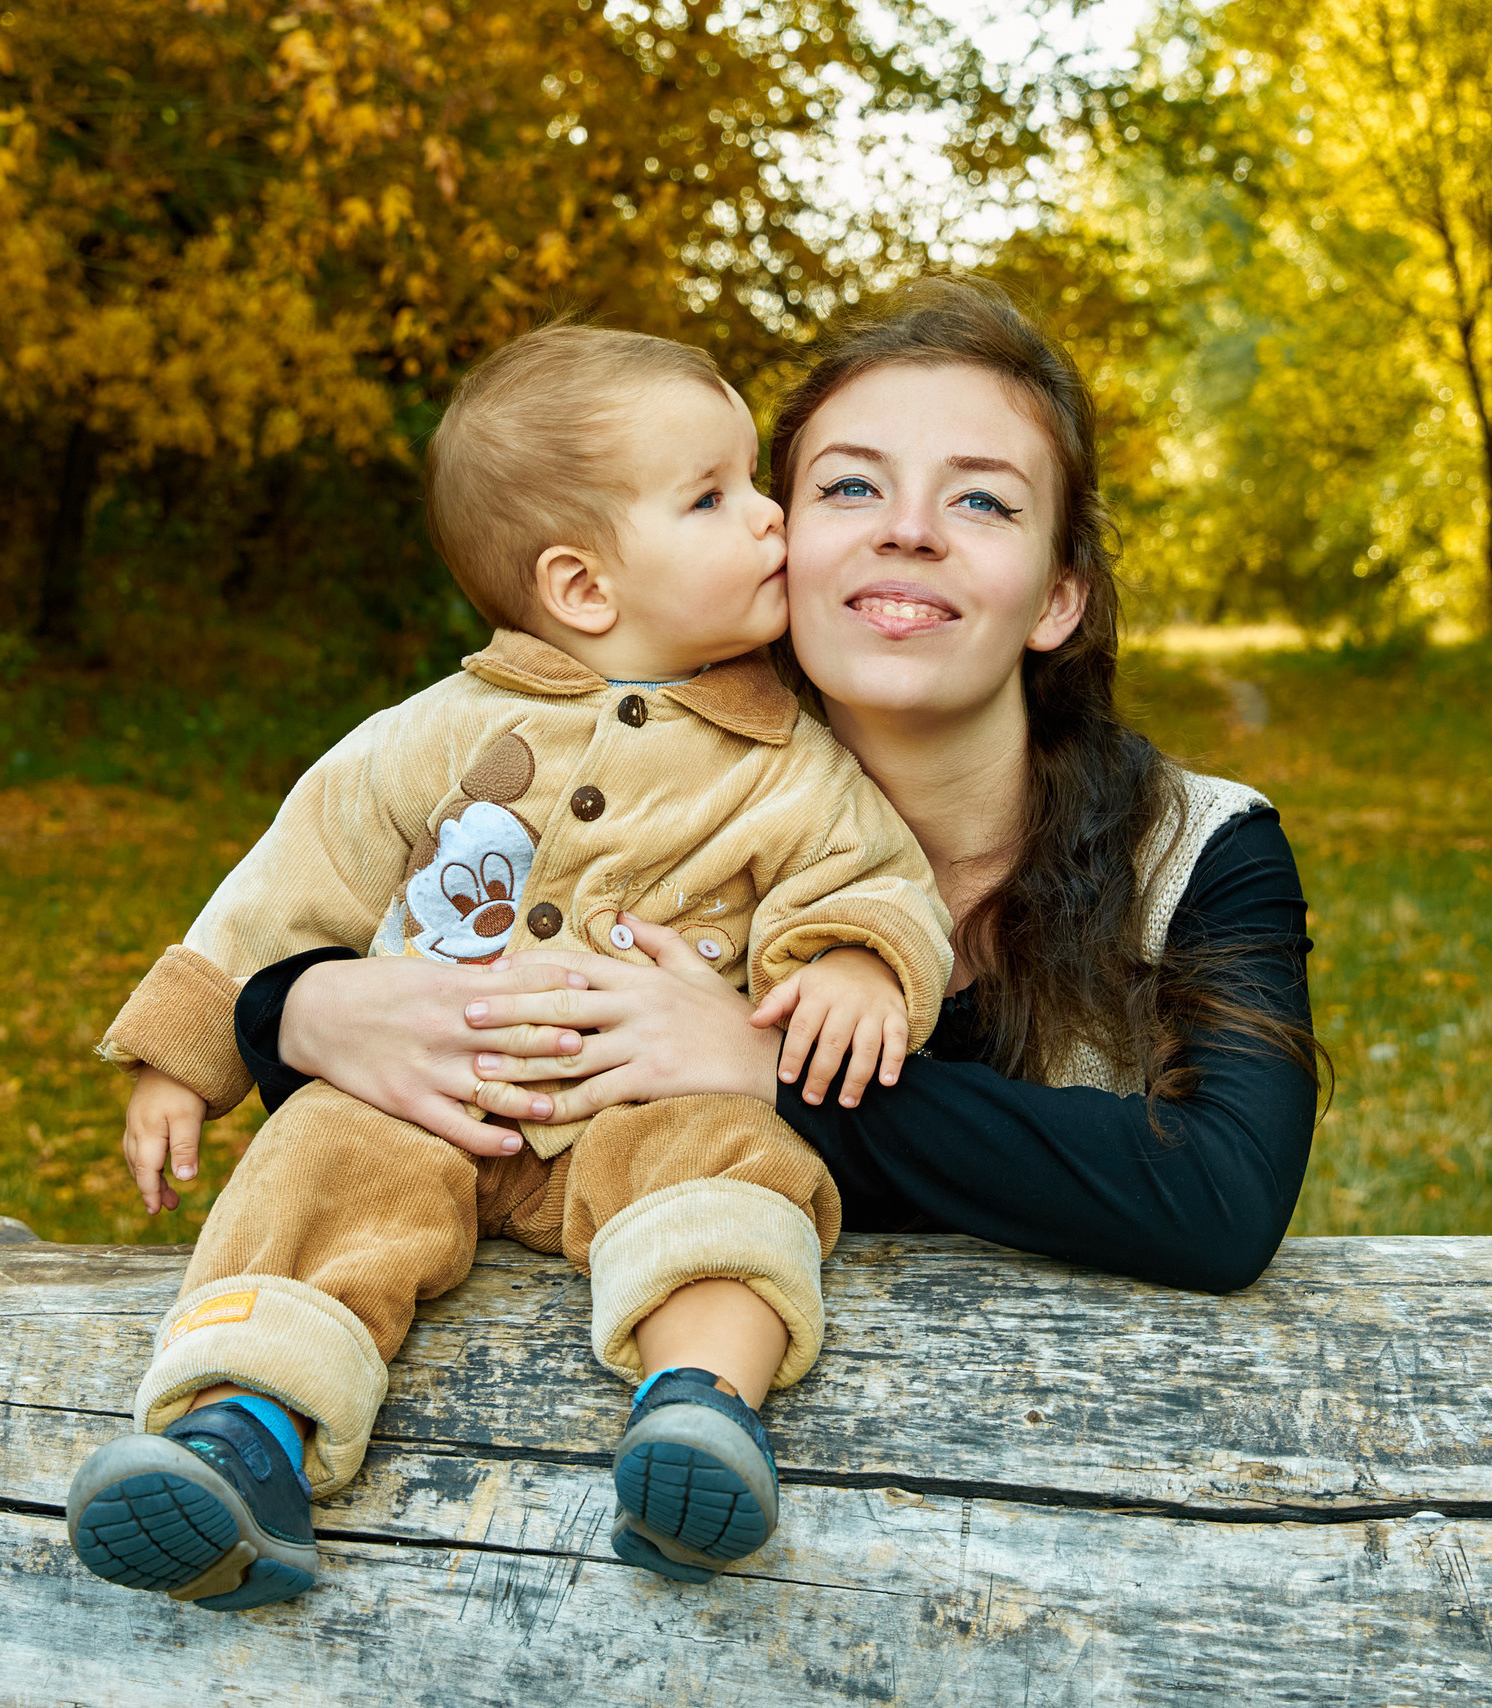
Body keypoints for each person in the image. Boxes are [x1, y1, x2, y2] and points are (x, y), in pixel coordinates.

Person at [238, 276, 1323, 1334]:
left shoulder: (1201, 853)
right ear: (777, 542)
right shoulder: (618, 784)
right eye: (849, 487)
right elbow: (367, 923)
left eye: (983, 499)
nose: (908, 529)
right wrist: (291, 1015)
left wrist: (769, 1069)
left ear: (1056, 596)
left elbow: (1219, 1200)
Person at [65, 324, 954, 1611]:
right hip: (413, 1100)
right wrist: (181, 1056)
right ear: (583, 587)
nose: (773, 519)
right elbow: (286, 884)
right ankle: (237, 1437)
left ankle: (700, 1407)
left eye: (753, 483)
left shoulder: (784, 760)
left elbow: (871, 877)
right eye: (716, 497)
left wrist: (860, 967)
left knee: (735, 1160)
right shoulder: (429, 735)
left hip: (633, 1109)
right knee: (314, 1165)